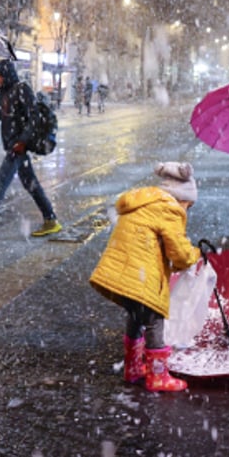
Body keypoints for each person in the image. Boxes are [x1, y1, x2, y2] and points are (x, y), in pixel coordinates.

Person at [89, 162, 202, 392]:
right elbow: (179, 252)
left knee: (136, 313)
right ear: (182, 197)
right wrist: (194, 255)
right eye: (188, 205)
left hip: (125, 272)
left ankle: (132, 368)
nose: (186, 211)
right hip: (141, 273)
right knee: (154, 318)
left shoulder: (146, 200)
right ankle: (158, 375)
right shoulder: (169, 208)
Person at [0, 58, 62, 241]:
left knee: (0, 184)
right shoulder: (2, 95)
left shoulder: (22, 89)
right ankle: (51, 220)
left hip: (17, 148)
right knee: (31, 184)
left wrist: (23, 141)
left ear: (6, 75)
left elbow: (34, 118)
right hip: (13, 146)